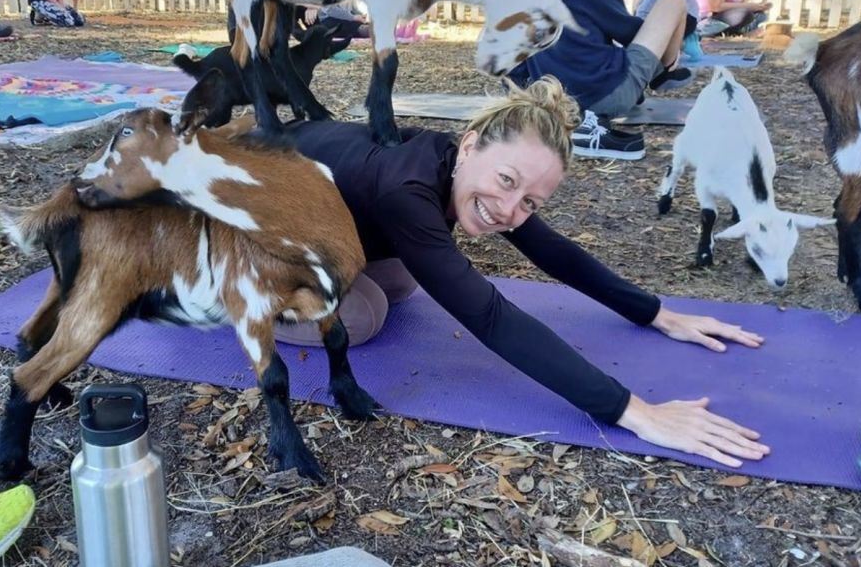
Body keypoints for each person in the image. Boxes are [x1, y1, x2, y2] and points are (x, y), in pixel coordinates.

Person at [272, 77, 769, 468]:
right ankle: (242, 302)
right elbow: (489, 317)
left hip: (321, 220)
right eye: (506, 180)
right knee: (363, 315)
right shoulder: (407, 188)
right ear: (470, 147)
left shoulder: (452, 164)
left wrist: (657, 313)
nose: (509, 209)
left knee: (403, 278)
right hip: (242, 221)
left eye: (529, 200)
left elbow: (552, 250)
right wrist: (635, 412)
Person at [508, 0, 692, 162]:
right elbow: (629, 33)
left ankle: (660, 73)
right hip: (604, 94)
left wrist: (528, 100)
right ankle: (666, 70)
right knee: (675, 1)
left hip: (555, 100)